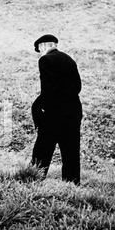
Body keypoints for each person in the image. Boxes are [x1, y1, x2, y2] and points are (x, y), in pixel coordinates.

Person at [31, 34, 83, 185]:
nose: (40, 52)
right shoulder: (69, 59)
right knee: (71, 152)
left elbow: (48, 89)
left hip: (54, 114)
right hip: (73, 113)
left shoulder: (45, 60)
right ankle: (71, 186)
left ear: (45, 46)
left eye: (40, 48)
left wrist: (40, 108)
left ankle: (34, 181)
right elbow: (77, 87)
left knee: (42, 150)